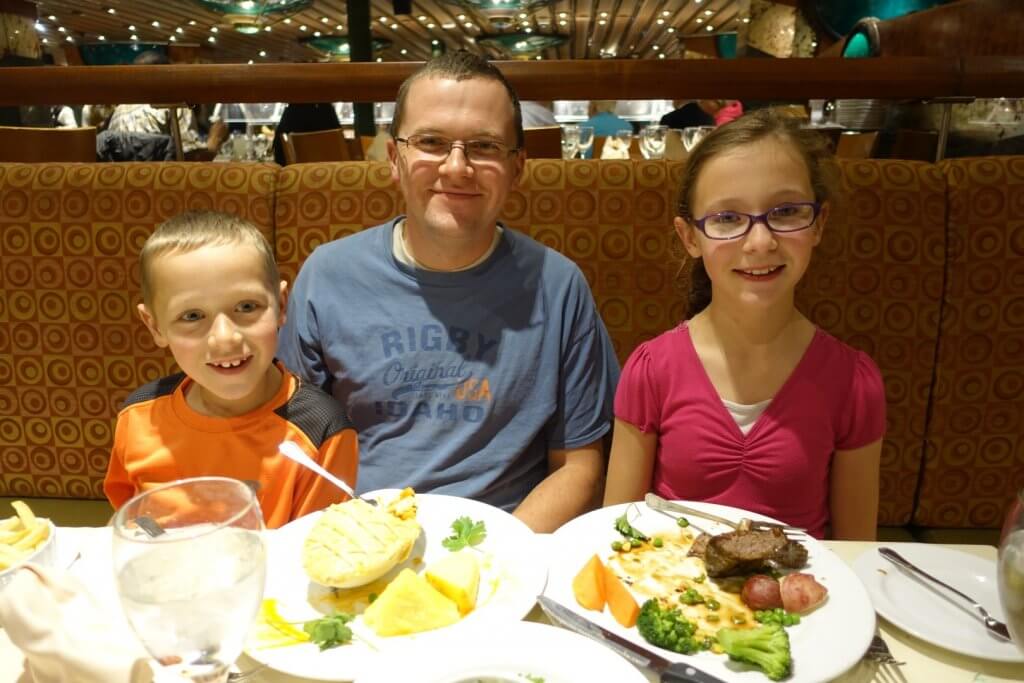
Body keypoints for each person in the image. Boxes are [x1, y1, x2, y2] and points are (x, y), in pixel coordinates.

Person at [278, 51, 619, 533]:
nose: (457, 167)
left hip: (509, 540)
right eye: (431, 142)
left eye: (483, 146)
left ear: (518, 167)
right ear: (395, 158)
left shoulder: (559, 286)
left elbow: (579, 464)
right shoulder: (326, 277)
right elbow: (296, 449)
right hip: (359, 537)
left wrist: (500, 560)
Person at [603, 109, 885, 541]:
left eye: (787, 211)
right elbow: (617, 535)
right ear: (690, 238)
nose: (760, 242)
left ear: (819, 224)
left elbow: (855, 554)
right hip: (671, 589)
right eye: (727, 219)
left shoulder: (853, 384)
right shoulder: (651, 371)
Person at [103, 211, 358, 529]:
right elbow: (131, 518)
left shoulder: (321, 430)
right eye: (193, 316)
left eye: (247, 307)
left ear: (280, 305)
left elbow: (313, 552)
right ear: (154, 326)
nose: (225, 338)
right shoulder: (139, 415)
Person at [106, 51, 227, 160]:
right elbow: (191, 159)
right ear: (167, 76)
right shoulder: (173, 104)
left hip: (119, 180)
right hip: (160, 180)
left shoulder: (119, 110)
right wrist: (214, 141)